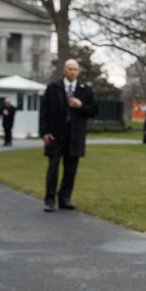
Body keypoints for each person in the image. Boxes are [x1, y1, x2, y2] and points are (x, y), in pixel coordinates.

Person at [39, 58, 98, 212]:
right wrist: (44, 132)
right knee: (53, 168)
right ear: (64, 70)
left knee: (71, 170)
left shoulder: (85, 89)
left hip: (75, 136)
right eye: (69, 69)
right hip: (55, 135)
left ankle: (64, 198)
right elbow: (43, 111)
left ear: (78, 71)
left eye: (75, 69)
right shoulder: (53, 88)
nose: (72, 72)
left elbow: (93, 111)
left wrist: (81, 106)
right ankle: (50, 200)